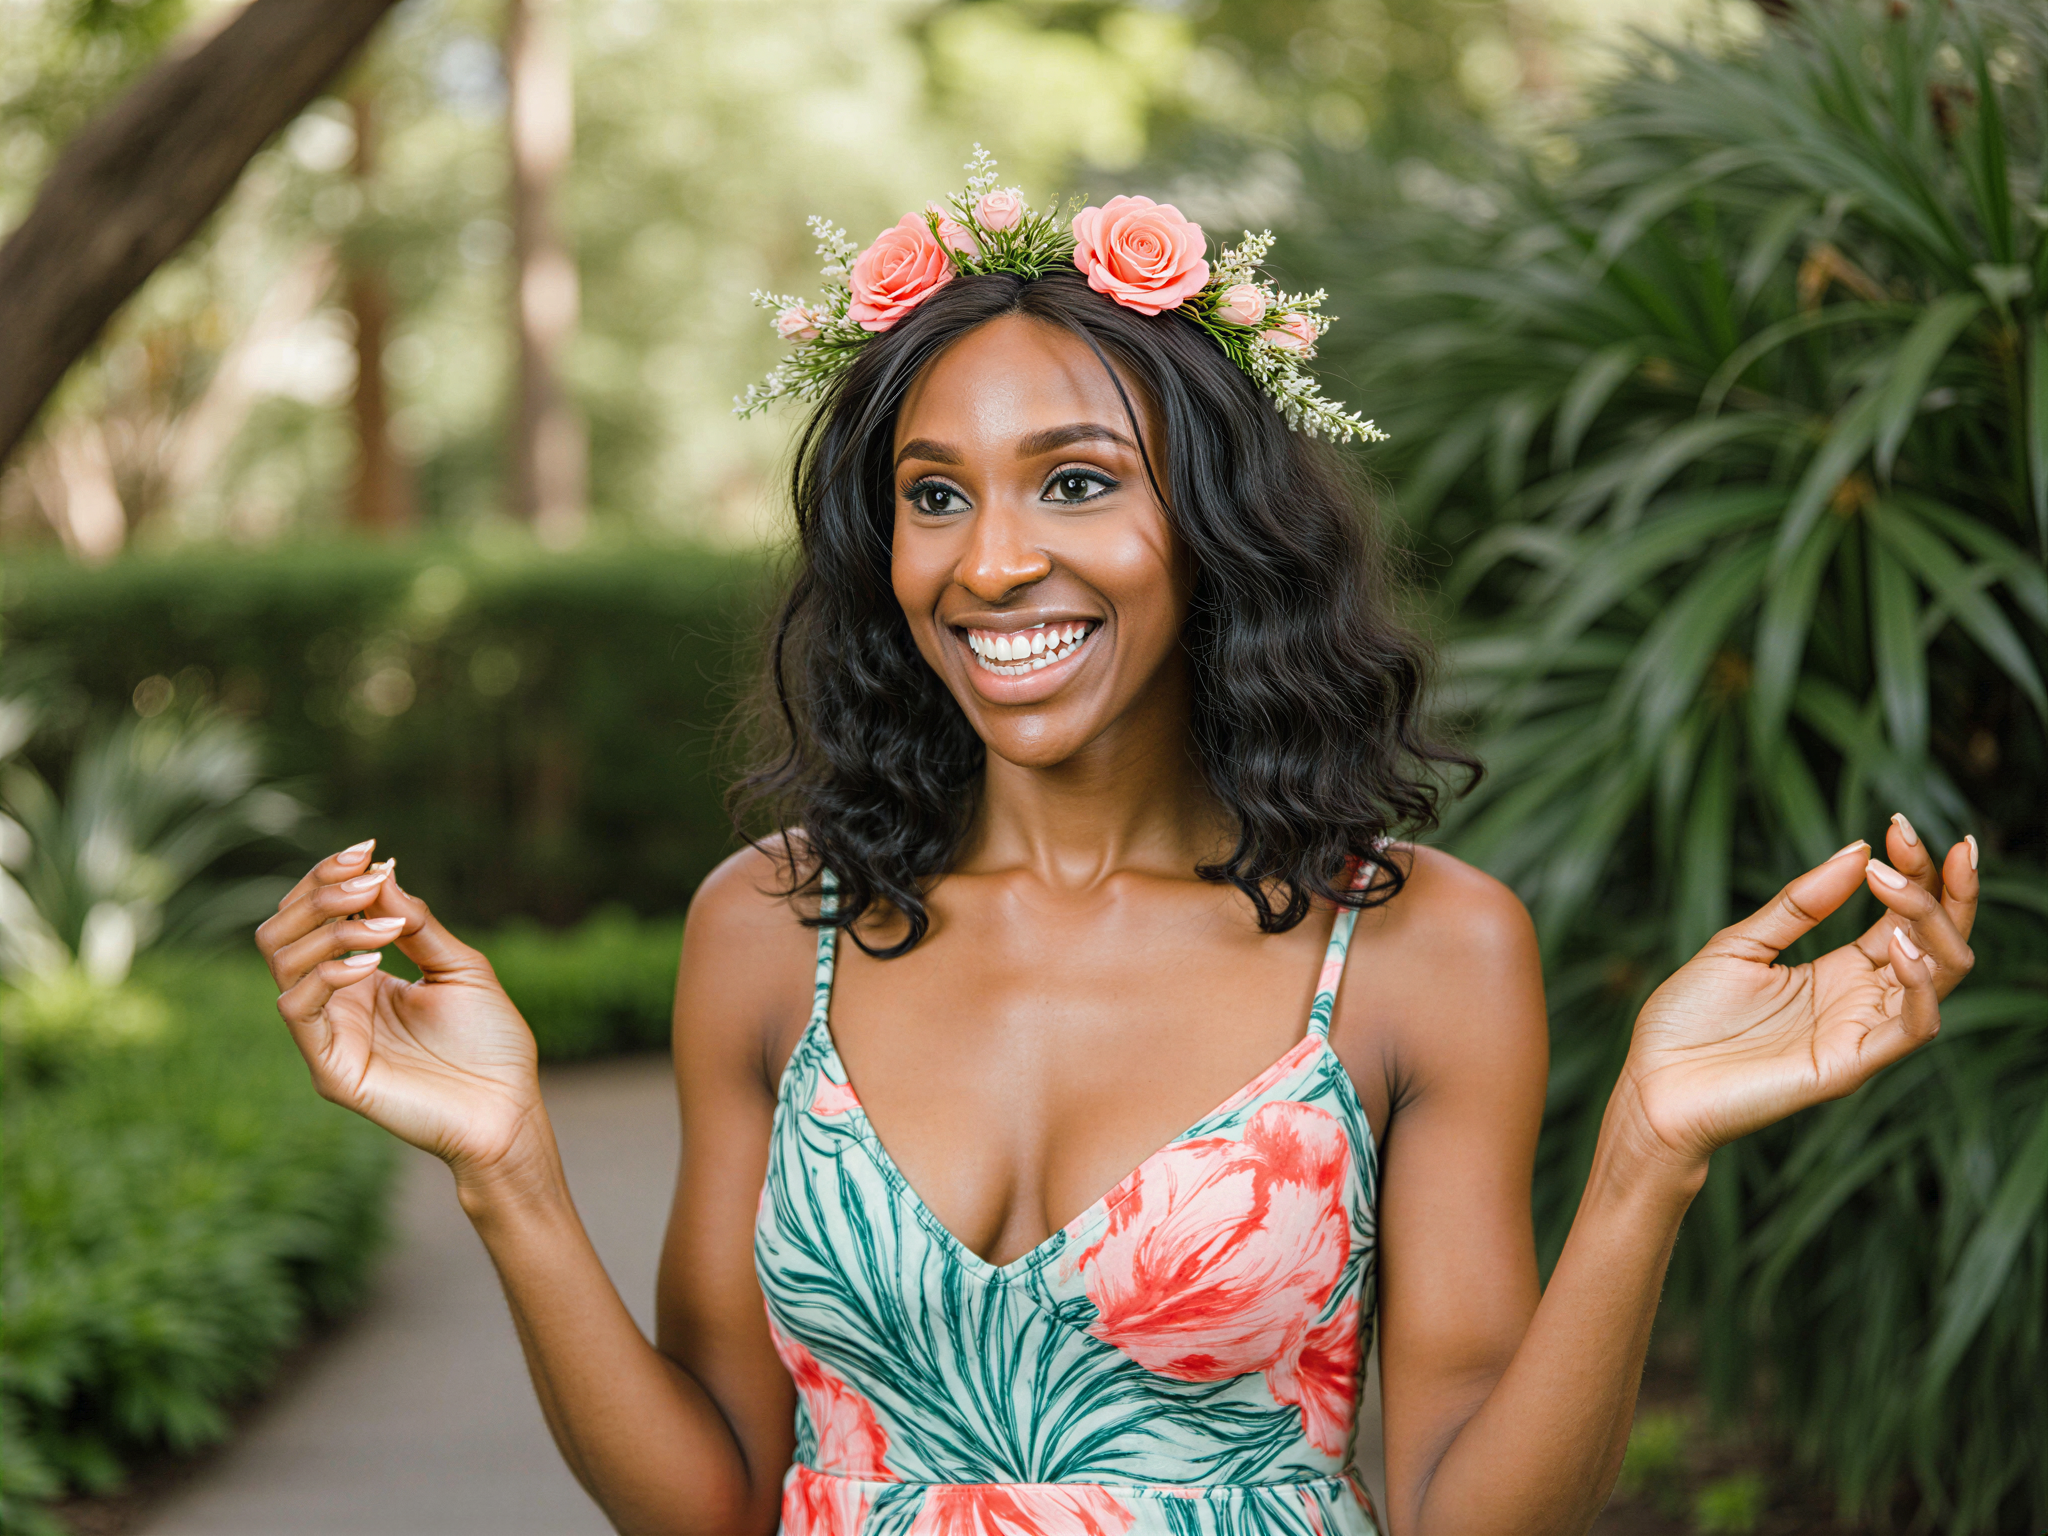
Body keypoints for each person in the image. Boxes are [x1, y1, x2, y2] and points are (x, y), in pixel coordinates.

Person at [254, 162, 1977, 1536]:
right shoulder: (778, 930)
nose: (992, 560)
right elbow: (706, 1499)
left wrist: (1649, 1155)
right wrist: (507, 1172)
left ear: (1215, 525)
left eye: (1075, 481)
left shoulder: (1417, 952)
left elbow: (1474, 1507)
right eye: (935, 495)